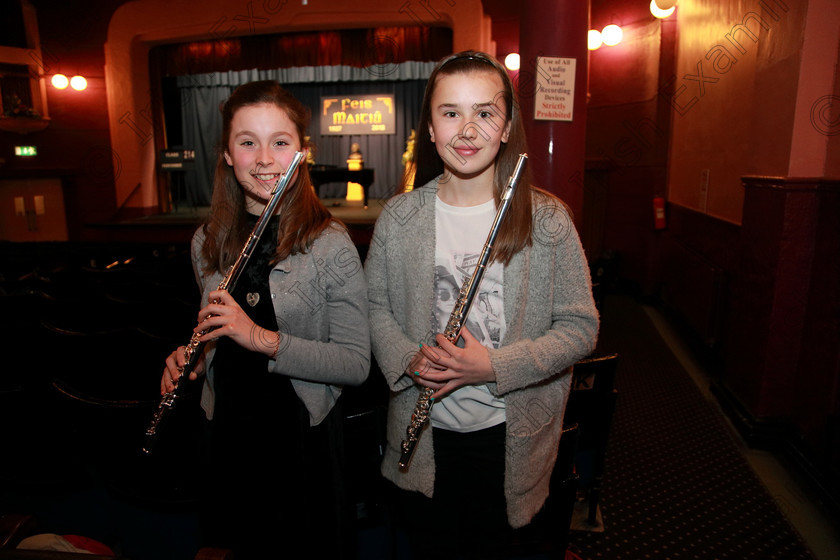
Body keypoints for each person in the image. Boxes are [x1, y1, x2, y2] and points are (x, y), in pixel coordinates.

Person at [364, 51, 599, 558]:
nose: (466, 129)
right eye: (450, 112)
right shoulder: (399, 218)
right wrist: (408, 357)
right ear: (429, 128)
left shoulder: (548, 218)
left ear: (507, 126)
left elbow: (580, 327)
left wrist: (490, 366)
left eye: (484, 112)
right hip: (424, 435)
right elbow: (376, 308)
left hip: (509, 442)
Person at [159, 80, 370, 559]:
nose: (264, 158)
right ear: (227, 155)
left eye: (280, 142)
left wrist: (257, 337)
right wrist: (192, 364)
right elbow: (215, 336)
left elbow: (355, 364)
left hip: (301, 438)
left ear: (302, 152)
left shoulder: (329, 243)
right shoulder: (205, 242)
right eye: (247, 142)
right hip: (230, 432)